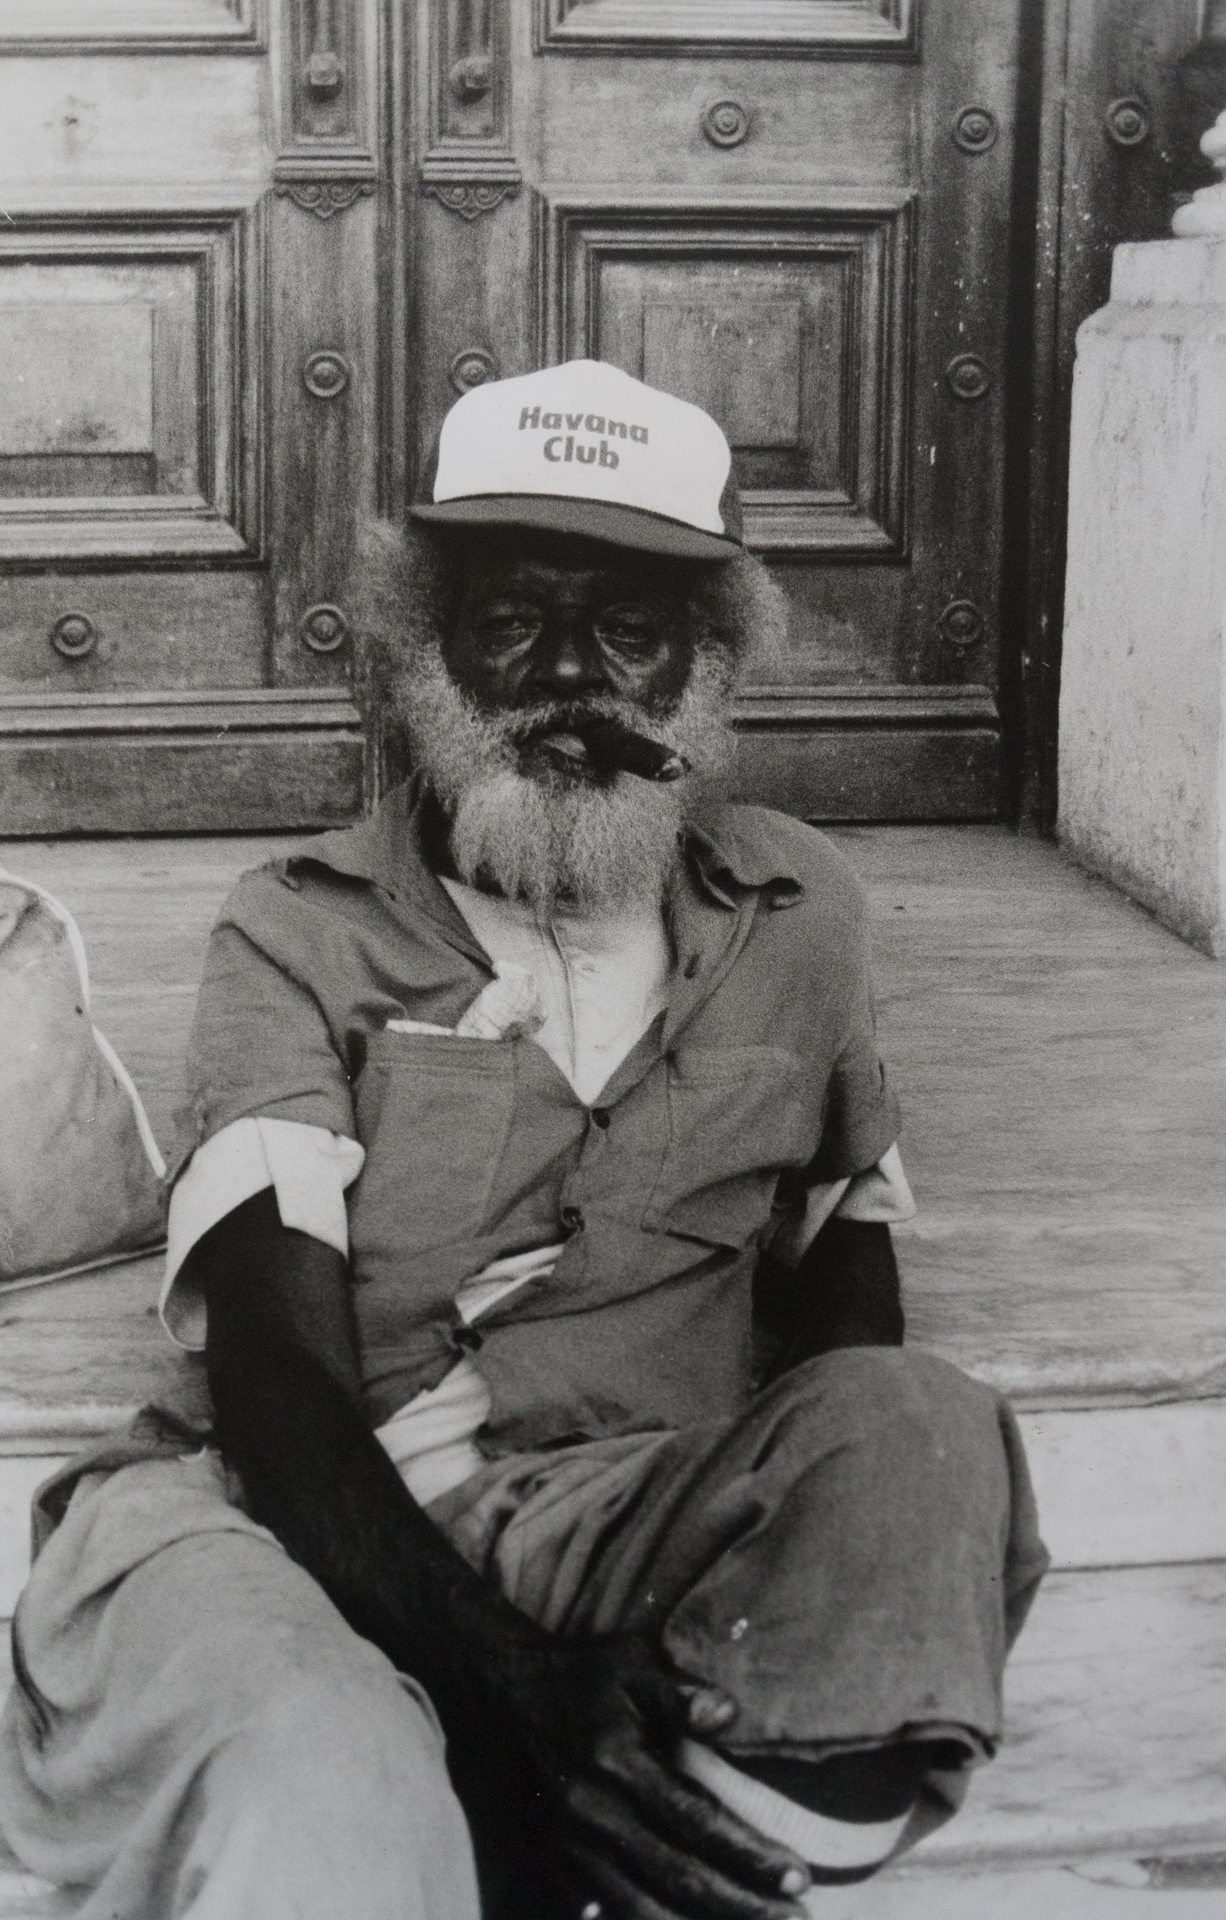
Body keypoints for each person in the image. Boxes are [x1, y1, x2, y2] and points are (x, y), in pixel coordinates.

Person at [0, 361, 1048, 1920]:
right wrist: (503, 1681)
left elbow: (843, 1264)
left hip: (619, 1502)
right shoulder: (297, 928)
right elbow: (275, 1375)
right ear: (424, 647)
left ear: (707, 659)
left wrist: (766, 1557)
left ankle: (630, 1842)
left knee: (921, 1430)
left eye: (625, 628)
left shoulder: (798, 911)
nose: (567, 676)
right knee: (326, 1785)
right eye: (509, 622)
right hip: (286, 1522)